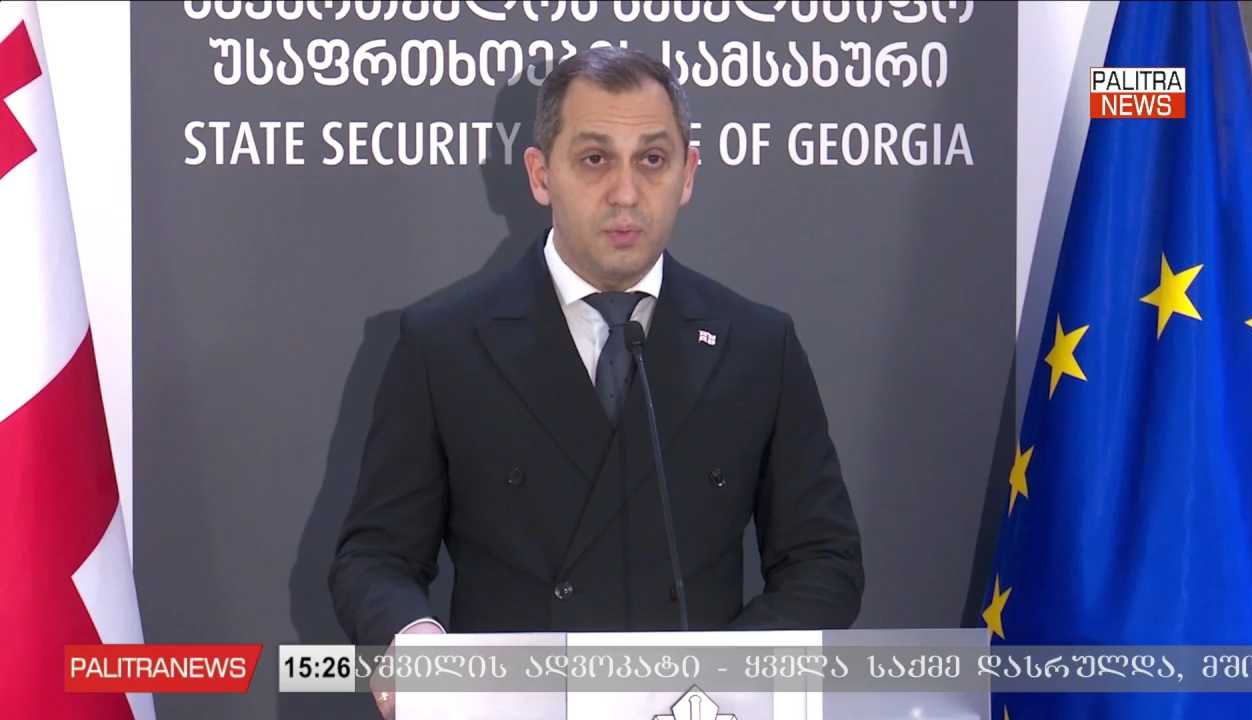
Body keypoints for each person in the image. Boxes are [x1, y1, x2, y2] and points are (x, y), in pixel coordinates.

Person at [329, 46, 864, 718]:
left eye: (653, 159)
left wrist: (732, 675)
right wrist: (412, 641)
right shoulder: (443, 342)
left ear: (689, 174)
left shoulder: (757, 345)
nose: (626, 193)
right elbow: (375, 556)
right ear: (540, 174)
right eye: (593, 159)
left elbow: (824, 561)